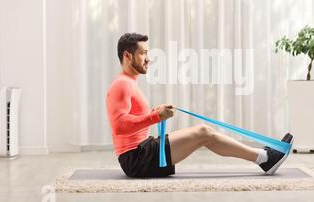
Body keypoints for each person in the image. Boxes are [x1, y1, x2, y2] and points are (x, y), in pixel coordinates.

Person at [106, 33, 293, 178]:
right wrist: (156, 116)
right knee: (203, 133)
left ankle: (264, 158)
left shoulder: (128, 81)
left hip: (141, 151)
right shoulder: (122, 84)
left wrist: (156, 112)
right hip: (136, 159)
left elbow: (130, 119)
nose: (148, 59)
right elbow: (119, 126)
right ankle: (265, 159)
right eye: (143, 53)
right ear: (128, 56)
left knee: (205, 134)